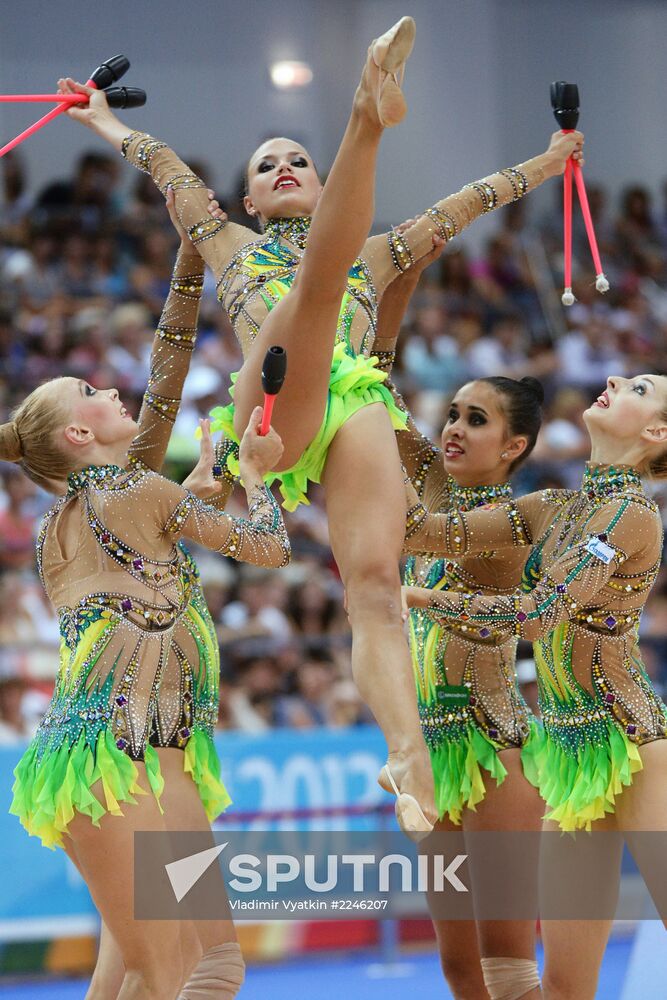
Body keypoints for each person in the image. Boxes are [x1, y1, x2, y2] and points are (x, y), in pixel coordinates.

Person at [58, 16, 584, 831]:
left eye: (297, 160)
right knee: (315, 291)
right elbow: (167, 173)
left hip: (352, 398)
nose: (284, 169)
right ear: (247, 198)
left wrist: (549, 163)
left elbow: (462, 207)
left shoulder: (375, 254)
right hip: (269, 401)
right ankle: (365, 116)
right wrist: (102, 120)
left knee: (373, 589)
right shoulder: (227, 242)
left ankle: (406, 758)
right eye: (267, 165)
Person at [3, 201, 289, 997]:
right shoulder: (131, 492)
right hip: (109, 755)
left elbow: (165, 373)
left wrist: (192, 261)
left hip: (160, 750)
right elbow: (267, 548)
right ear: (76, 438)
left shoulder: (94, 506)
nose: (115, 390)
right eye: (91, 389)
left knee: (191, 966)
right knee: (164, 968)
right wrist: (256, 481)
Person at [403, 373, 667, 999]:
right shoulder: (553, 508)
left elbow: (537, 613)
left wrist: (411, 595)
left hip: (638, 749)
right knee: (561, 988)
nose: (611, 381)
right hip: (575, 763)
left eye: (637, 387)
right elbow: (427, 532)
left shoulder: (631, 515)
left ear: (657, 432)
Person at [373, 252, 545, 999]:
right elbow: (369, 386)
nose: (451, 428)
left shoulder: (510, 521)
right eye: (450, 413)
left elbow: (416, 539)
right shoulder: (432, 486)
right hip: (432, 754)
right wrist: (399, 274)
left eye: (475, 420)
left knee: (505, 961)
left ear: (513, 447)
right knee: (455, 965)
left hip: (496, 747)